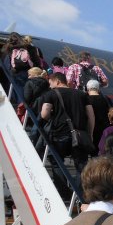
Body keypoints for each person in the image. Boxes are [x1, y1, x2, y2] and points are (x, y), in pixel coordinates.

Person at [40, 72, 94, 200]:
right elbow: (91, 116)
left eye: (51, 83)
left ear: (57, 81)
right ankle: (79, 193)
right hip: (80, 134)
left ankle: (65, 194)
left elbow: (44, 114)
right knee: (81, 165)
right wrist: (90, 134)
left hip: (60, 134)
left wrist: (52, 116)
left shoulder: (50, 94)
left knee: (56, 161)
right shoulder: (81, 94)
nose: (50, 86)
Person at [86, 79, 110, 155]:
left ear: (87, 88)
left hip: (90, 129)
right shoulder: (106, 99)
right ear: (98, 89)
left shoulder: (85, 99)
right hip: (104, 130)